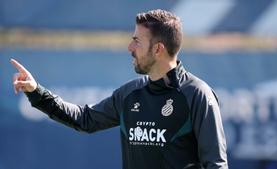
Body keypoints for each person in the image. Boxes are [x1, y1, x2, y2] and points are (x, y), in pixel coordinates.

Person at [11, 9, 228, 169]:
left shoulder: (197, 94)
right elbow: (85, 119)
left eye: (137, 41)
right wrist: (35, 91)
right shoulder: (130, 94)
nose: (130, 47)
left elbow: (216, 165)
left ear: (158, 49)